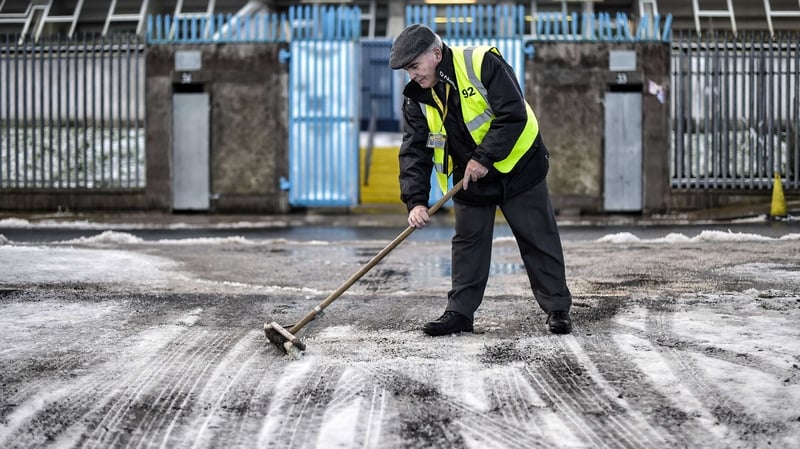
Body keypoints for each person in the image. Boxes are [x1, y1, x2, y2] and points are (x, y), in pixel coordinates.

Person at [389, 24, 573, 336]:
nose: (412, 76)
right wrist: (416, 200)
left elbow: (514, 114)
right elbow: (414, 151)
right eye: (408, 70)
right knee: (468, 244)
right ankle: (460, 313)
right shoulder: (417, 98)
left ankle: (557, 309)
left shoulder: (481, 63)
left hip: (518, 168)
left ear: (436, 54)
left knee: (537, 237)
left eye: (415, 66)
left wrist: (485, 157)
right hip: (469, 179)